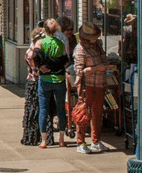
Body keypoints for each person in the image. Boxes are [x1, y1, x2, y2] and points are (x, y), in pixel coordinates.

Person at [33, 18, 69, 149]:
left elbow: (35, 56)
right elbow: (66, 60)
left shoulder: (40, 42)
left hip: (45, 80)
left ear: (44, 29)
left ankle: (44, 140)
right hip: (59, 79)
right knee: (60, 109)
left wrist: (40, 66)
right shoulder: (60, 43)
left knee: (43, 109)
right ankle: (61, 139)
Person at [73, 22, 107, 154]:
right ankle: (80, 142)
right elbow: (79, 70)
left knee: (97, 113)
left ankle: (96, 141)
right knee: (83, 113)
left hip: (100, 83)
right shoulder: (80, 48)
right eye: (94, 37)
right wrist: (95, 68)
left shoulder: (98, 45)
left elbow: (104, 60)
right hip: (87, 85)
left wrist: (103, 65)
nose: (96, 38)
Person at [21, 26, 53, 146]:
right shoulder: (36, 53)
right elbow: (38, 70)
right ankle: (43, 137)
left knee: (34, 110)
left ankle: (33, 136)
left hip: (31, 83)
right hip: (38, 82)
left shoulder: (29, 51)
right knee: (41, 110)